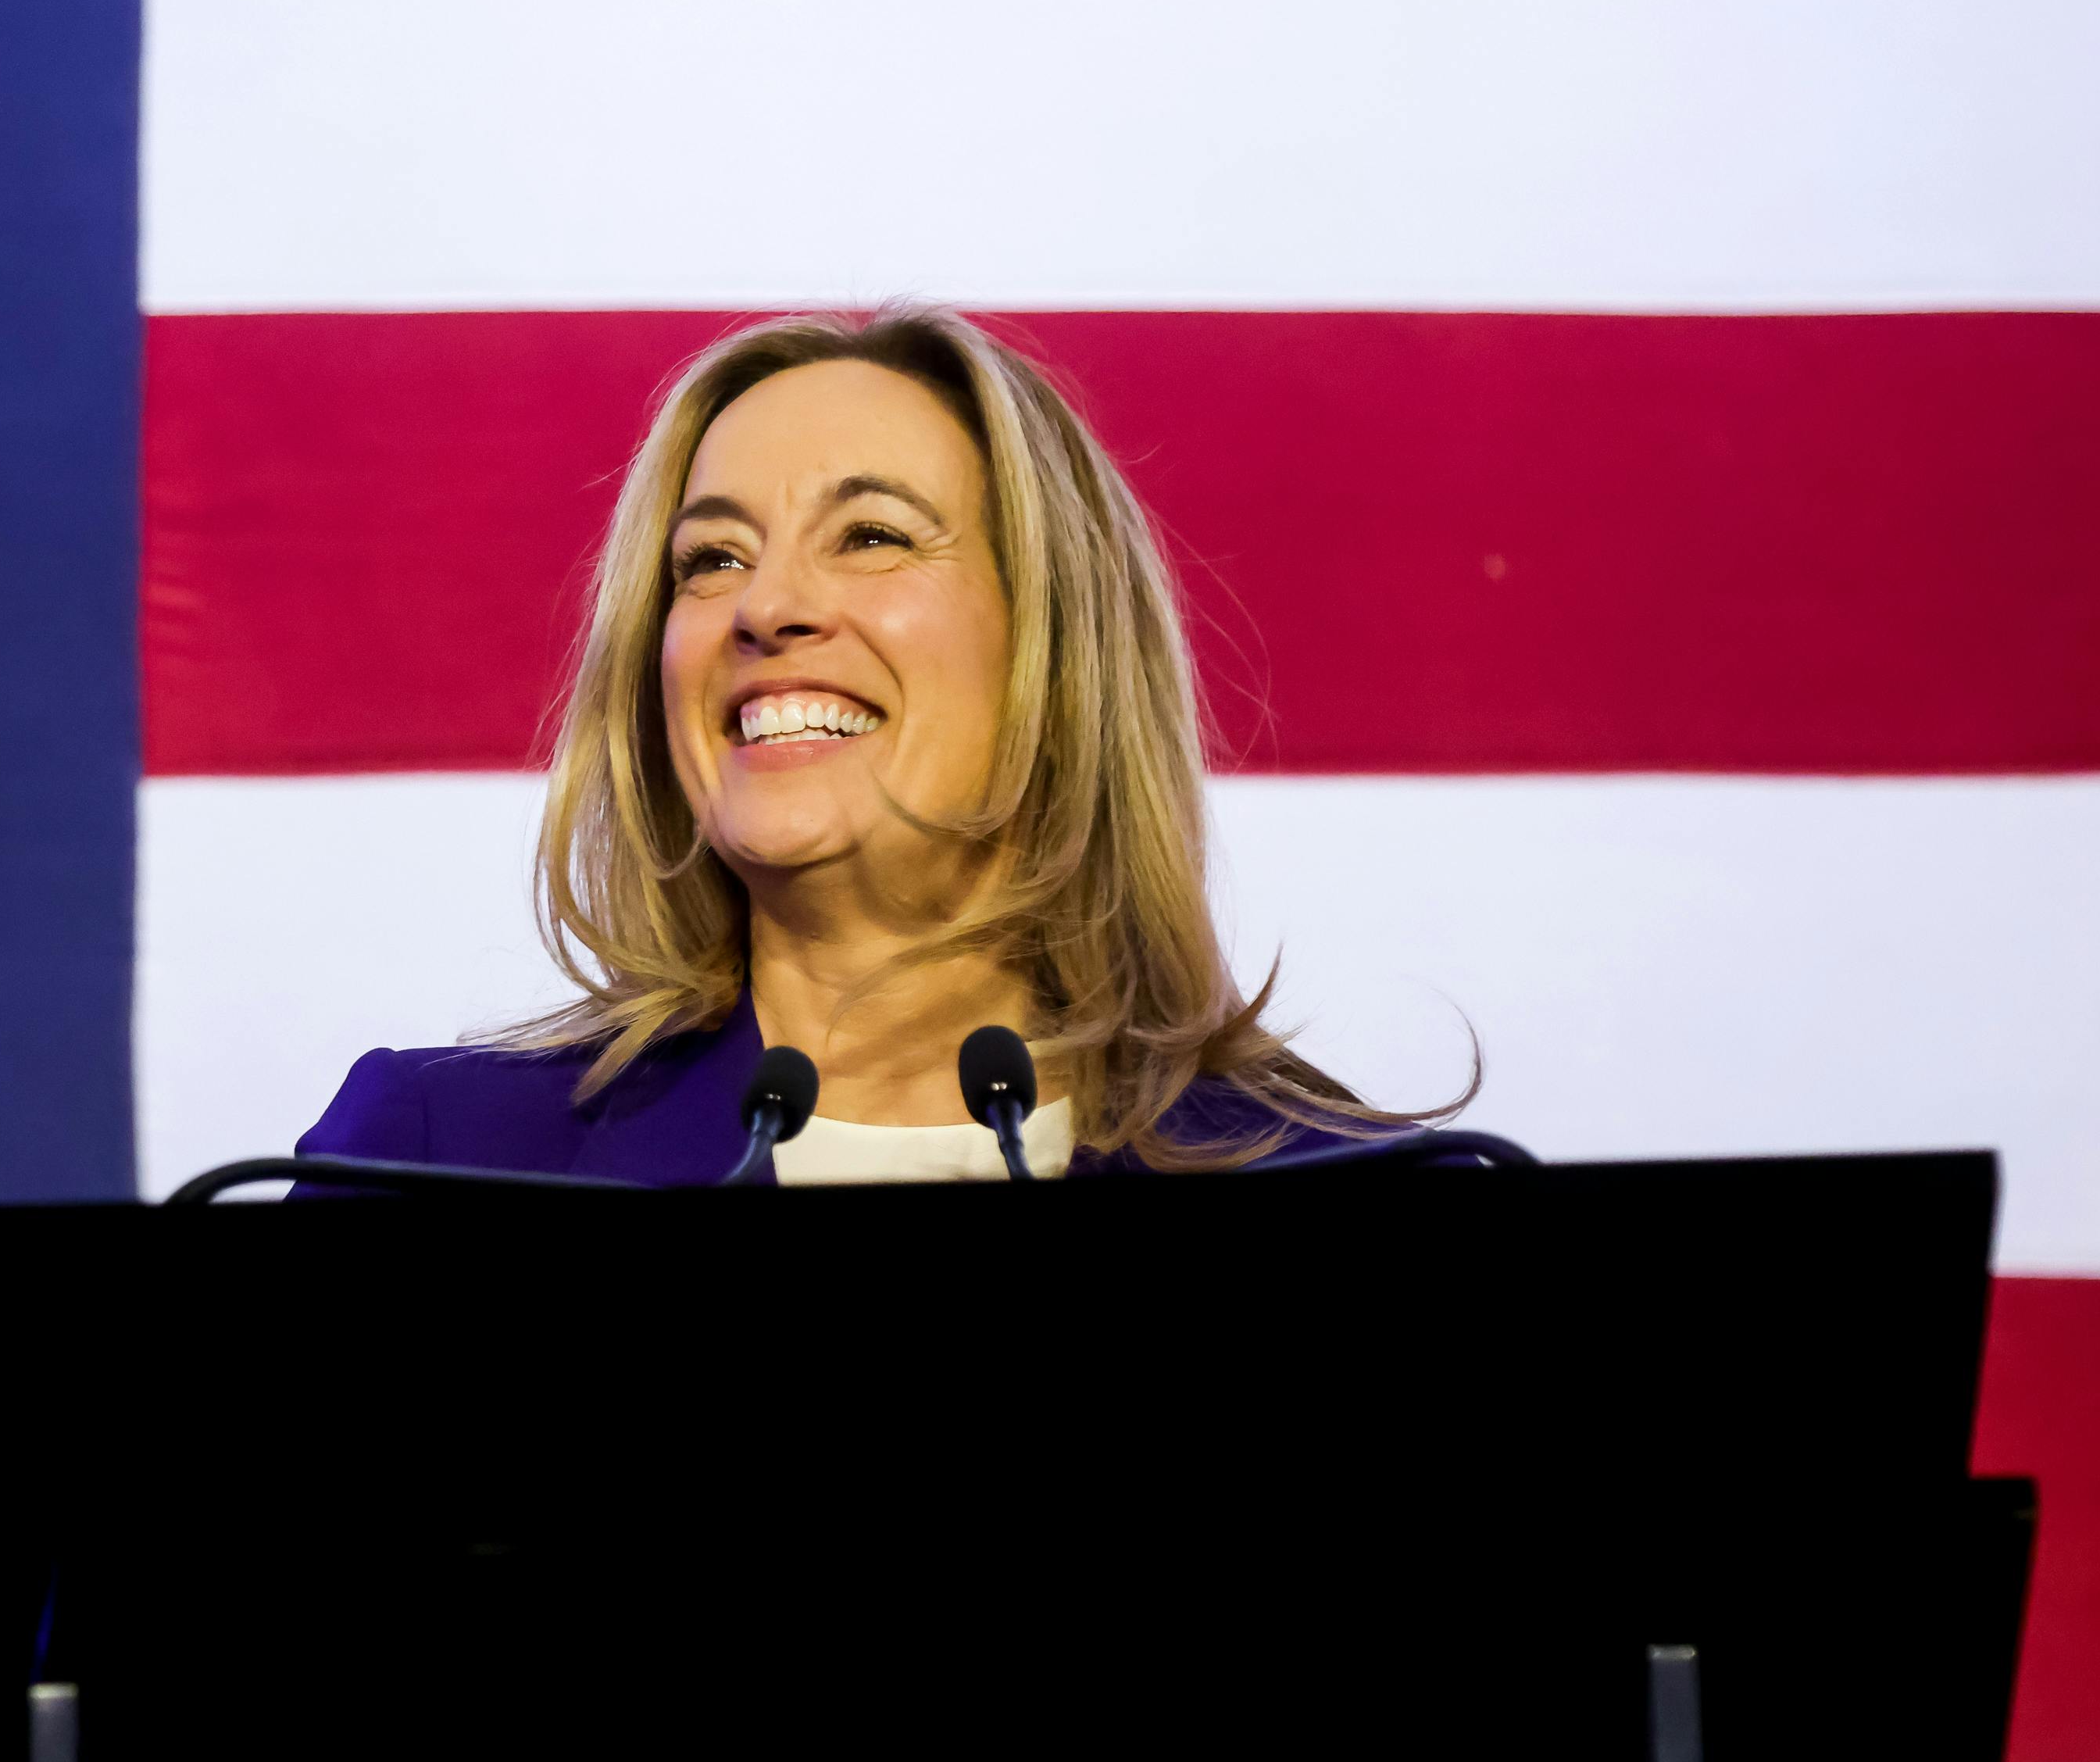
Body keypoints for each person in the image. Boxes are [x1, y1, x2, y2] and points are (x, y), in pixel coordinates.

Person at [306, 307, 1454, 1185]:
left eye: (870, 536)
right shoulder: (433, 1161)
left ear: (1053, 650)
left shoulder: (1347, 1176)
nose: (766, 608)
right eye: (711, 560)